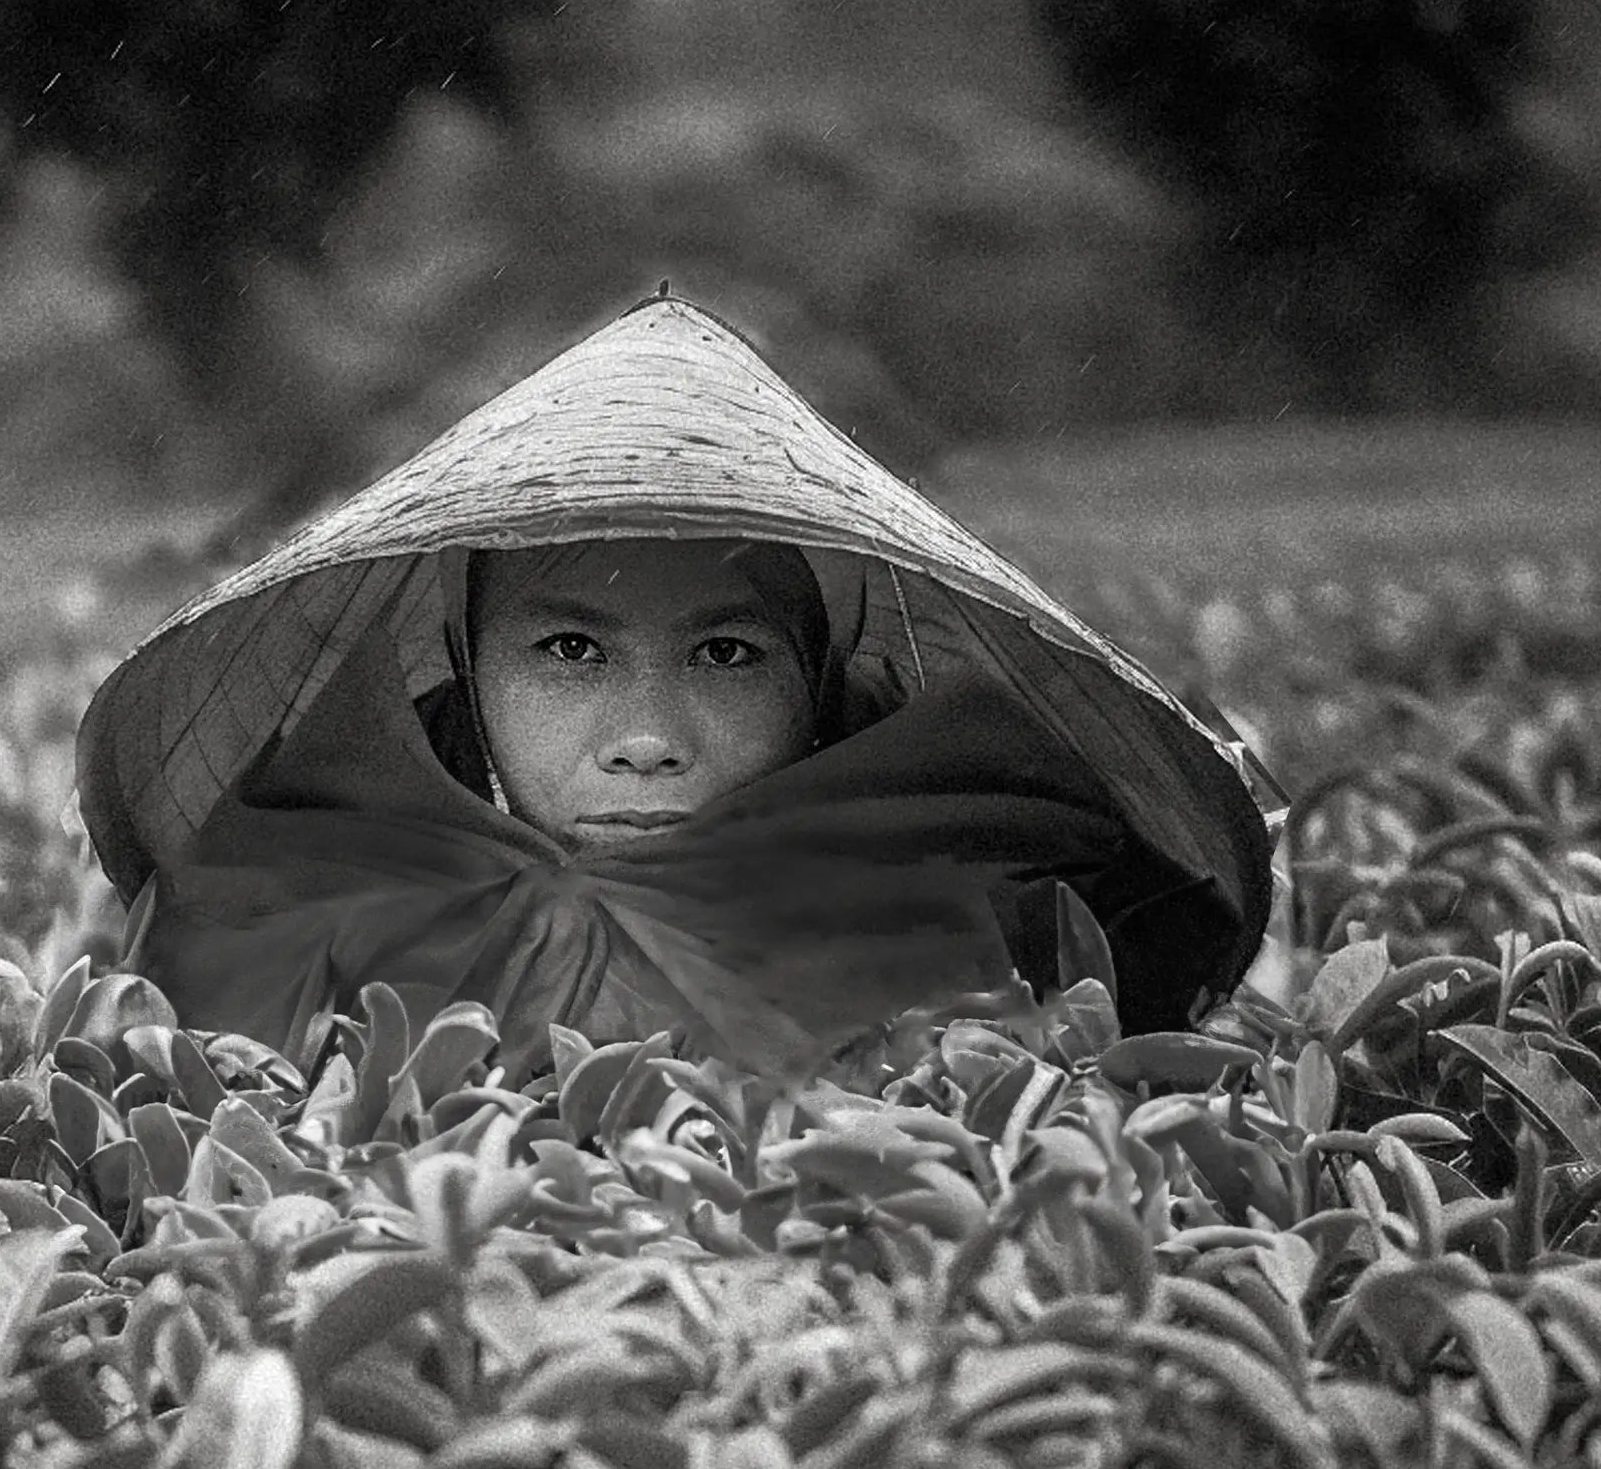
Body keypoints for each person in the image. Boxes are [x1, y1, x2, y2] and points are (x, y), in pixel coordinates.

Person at [77, 296, 1276, 1079]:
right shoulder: (304, 903)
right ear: (467, 673)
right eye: (569, 653)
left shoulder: (971, 908)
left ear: (816, 683)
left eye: (723, 654)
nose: (645, 738)